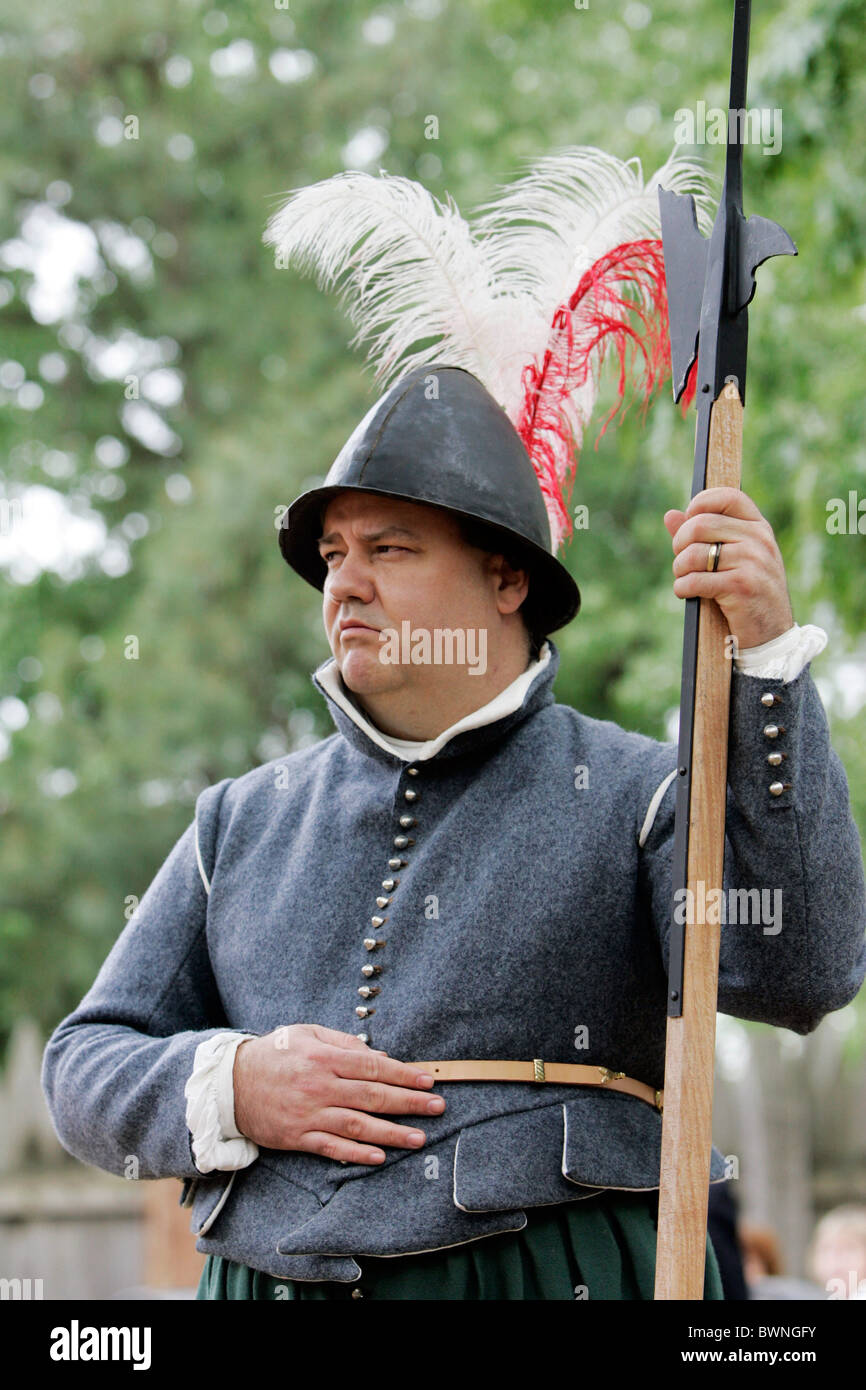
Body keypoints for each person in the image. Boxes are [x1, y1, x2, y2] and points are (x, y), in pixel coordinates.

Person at [41, 364, 866, 1301]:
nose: (344, 584)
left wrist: (767, 658)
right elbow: (82, 1063)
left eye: (388, 549)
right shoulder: (239, 820)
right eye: (333, 554)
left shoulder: (639, 791)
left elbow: (805, 973)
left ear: (506, 578)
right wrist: (239, 1084)